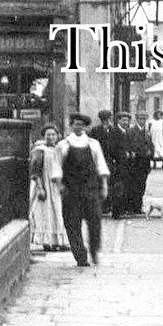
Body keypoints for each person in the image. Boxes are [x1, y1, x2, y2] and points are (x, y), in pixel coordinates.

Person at [54, 113, 110, 267]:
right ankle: (81, 256)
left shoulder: (93, 144)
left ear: (85, 127)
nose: (78, 127)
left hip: (90, 189)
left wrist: (104, 185)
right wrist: (60, 185)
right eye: (75, 124)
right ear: (71, 125)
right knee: (72, 223)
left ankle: (94, 251)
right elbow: (57, 167)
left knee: (95, 221)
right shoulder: (63, 145)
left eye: (81, 124)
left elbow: (101, 165)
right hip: (71, 190)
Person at [28, 123, 68, 252]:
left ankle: (59, 241)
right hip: (44, 184)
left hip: (58, 186)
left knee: (58, 212)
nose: (51, 137)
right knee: (45, 213)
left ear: (58, 136)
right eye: (48, 135)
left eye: (53, 134)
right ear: (44, 136)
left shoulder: (60, 149)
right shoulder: (40, 150)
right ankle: (46, 242)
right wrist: (40, 188)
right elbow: (35, 171)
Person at [88, 109, 121, 215]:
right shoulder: (95, 131)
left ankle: (109, 206)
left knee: (110, 184)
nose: (109, 121)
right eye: (108, 118)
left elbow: (117, 146)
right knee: (99, 184)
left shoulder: (114, 130)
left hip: (111, 161)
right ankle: (101, 207)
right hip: (99, 161)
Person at [126, 112, 155, 214]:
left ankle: (138, 207)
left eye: (144, 119)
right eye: (141, 118)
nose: (142, 121)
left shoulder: (147, 132)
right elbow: (130, 146)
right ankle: (131, 207)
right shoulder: (130, 131)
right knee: (132, 185)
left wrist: (151, 153)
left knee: (142, 186)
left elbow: (151, 146)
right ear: (136, 119)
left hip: (144, 164)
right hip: (134, 163)